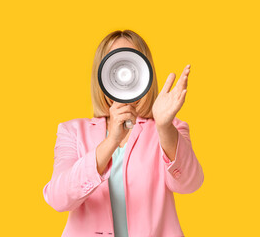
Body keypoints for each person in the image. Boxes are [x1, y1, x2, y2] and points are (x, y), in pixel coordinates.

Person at [42, 29, 204, 237]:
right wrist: (111, 141)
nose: (123, 75)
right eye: (115, 66)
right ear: (101, 75)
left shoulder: (171, 129)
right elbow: (58, 198)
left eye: (132, 64)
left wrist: (164, 127)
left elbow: (190, 183)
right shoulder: (72, 131)